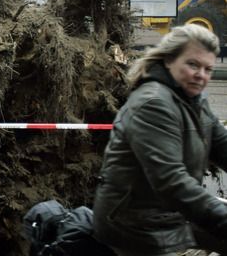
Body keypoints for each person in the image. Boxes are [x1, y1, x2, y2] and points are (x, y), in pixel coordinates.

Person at [93, 24, 227, 256]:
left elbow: (223, 146)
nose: (201, 75)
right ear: (168, 61)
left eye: (208, 69)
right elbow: (172, 181)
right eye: (193, 64)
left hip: (171, 214)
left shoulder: (194, 100)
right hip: (136, 225)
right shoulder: (153, 103)